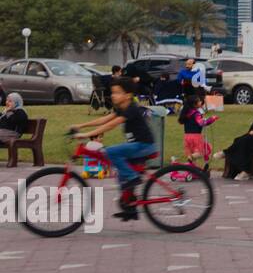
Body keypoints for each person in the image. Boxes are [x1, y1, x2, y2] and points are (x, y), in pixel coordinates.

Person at [70, 80, 158, 221]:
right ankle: (130, 207)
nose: (113, 95)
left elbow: (111, 125)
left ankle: (133, 178)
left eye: (117, 93)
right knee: (121, 175)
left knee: (110, 152)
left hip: (144, 146)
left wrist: (86, 135)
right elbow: (105, 119)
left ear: (128, 95)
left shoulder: (132, 109)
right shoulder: (121, 108)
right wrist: (81, 125)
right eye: (112, 92)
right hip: (136, 146)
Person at [178, 92, 219, 174]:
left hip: (187, 136)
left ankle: (192, 170)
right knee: (203, 152)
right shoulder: (196, 114)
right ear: (194, 104)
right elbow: (201, 123)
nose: (201, 102)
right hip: (196, 136)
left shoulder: (187, 113)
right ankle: (191, 157)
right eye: (199, 101)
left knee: (193, 152)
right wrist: (211, 119)